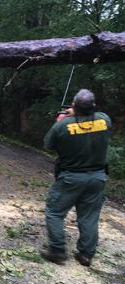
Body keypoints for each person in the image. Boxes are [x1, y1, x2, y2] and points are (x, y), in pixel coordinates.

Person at [41, 89, 111, 266]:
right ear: (93, 106)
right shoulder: (104, 119)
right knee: (89, 217)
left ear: (73, 106)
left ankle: (58, 251)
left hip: (71, 178)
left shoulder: (63, 125)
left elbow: (48, 144)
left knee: (55, 212)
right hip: (98, 177)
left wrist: (62, 119)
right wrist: (78, 113)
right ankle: (86, 254)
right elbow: (94, 116)